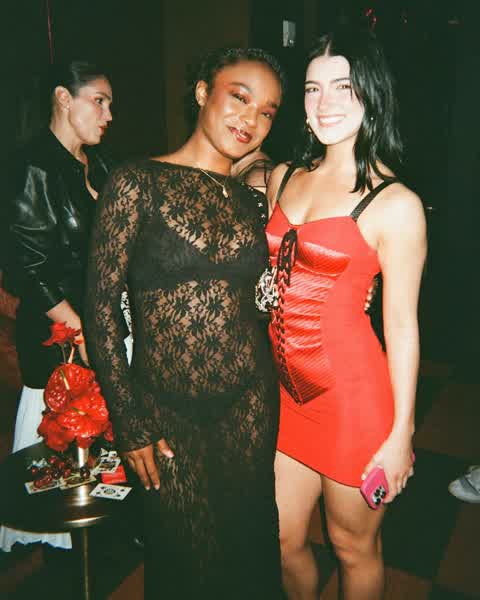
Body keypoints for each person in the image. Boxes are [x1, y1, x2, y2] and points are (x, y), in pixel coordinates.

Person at [85, 48, 285, 598]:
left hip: (250, 401)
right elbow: (100, 310)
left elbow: (263, 296)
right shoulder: (137, 182)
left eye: (267, 112)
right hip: (165, 408)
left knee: (249, 545)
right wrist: (130, 422)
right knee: (183, 557)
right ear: (202, 92)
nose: (250, 119)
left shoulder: (253, 200)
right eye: (239, 97)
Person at [265, 27, 427, 599]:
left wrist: (401, 433)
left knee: (353, 547)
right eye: (313, 88)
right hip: (284, 395)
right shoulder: (283, 176)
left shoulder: (396, 203)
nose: (325, 103)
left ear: (372, 94)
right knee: (279, 537)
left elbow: (401, 326)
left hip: (353, 402)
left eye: (344, 87)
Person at [0, 60, 113, 552]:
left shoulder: (98, 164)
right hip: (57, 333)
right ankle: (54, 547)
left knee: (96, 444)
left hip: (97, 320)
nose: (109, 115)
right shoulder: (33, 166)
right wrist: (82, 330)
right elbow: (28, 269)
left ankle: (91, 539)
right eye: (99, 101)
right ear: (64, 99)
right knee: (54, 447)